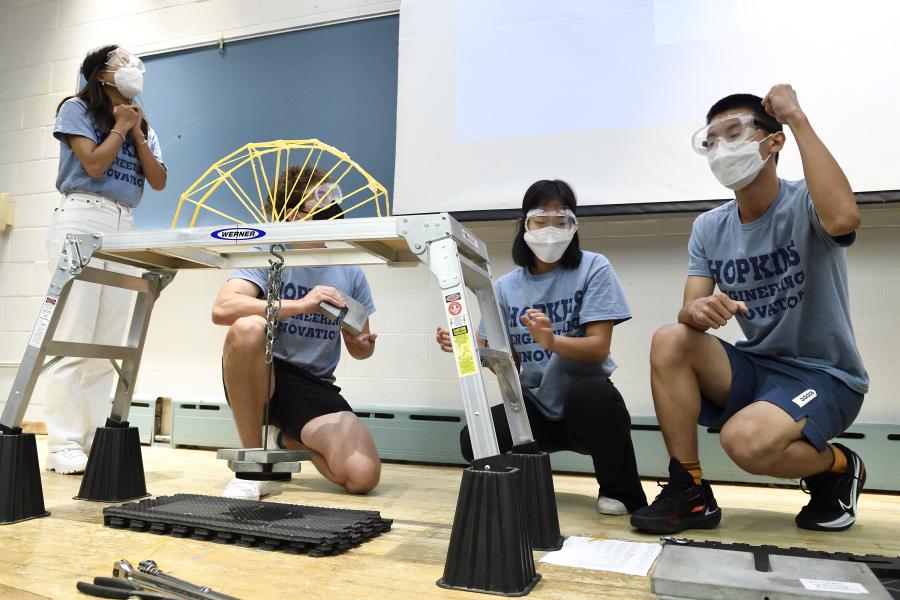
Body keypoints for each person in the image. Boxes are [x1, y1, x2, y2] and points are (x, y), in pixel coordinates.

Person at [630, 85, 868, 534]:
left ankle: (839, 467)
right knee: (669, 338)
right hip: (760, 365)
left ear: (772, 142)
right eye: (712, 140)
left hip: (825, 375)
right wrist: (697, 310)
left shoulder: (804, 203)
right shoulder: (709, 226)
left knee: (744, 442)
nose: (721, 149)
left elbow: (843, 219)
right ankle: (690, 491)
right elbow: (688, 312)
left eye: (734, 133)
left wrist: (795, 117)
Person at [436, 180, 648, 515]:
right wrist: (462, 345)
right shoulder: (505, 287)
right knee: (472, 439)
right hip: (532, 405)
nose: (551, 231)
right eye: (540, 221)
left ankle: (620, 491)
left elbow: (598, 349)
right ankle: (522, 480)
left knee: (595, 397)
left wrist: (552, 341)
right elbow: (488, 350)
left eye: (561, 221)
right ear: (523, 226)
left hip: (584, 404)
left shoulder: (594, 267)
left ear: (574, 226)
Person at [213, 165, 381, 501]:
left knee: (362, 476)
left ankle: (283, 439)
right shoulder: (266, 255)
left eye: (333, 202)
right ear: (290, 213)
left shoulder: (349, 269)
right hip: (264, 374)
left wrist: (361, 344)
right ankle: (251, 465)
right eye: (319, 202)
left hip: (314, 386)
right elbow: (223, 309)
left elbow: (361, 347)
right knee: (248, 328)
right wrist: (302, 304)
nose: (330, 209)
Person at [44, 44, 166, 474]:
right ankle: (62, 443)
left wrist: (134, 131)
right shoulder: (76, 108)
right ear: (100, 75)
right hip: (82, 213)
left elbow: (158, 179)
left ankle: (95, 435)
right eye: (121, 63)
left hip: (123, 222)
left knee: (108, 339)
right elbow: (94, 165)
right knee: (73, 331)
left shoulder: (141, 121)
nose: (132, 69)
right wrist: (118, 127)